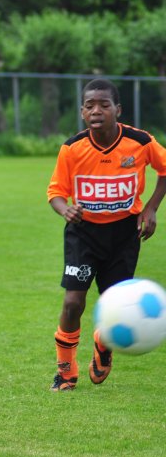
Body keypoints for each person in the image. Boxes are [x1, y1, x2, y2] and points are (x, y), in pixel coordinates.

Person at [47, 78, 166, 392]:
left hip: (124, 234)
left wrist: (150, 209)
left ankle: (104, 341)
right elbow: (56, 192)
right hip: (83, 233)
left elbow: (165, 170)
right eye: (89, 106)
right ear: (83, 113)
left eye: (103, 104)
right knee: (73, 301)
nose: (96, 110)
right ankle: (66, 370)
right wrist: (64, 210)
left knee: (116, 302)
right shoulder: (72, 148)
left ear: (118, 110)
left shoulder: (139, 142)